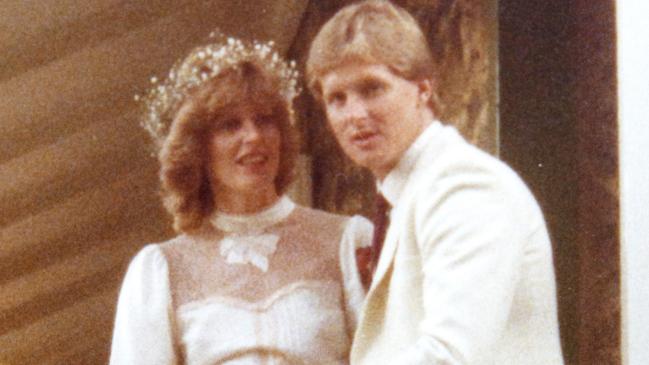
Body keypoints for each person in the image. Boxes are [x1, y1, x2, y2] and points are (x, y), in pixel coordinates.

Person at [306, 1, 564, 364]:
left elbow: (449, 355)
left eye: (372, 88)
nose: (355, 114)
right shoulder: (410, 189)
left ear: (423, 88)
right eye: (337, 98)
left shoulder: (464, 185)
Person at [109, 36, 373, 364]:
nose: (253, 136)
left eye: (264, 120)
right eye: (229, 125)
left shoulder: (347, 243)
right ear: (197, 148)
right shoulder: (161, 272)